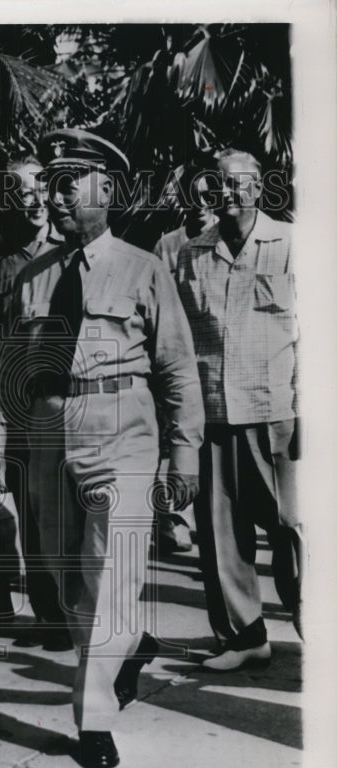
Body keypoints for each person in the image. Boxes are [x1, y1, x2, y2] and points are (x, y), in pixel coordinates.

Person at [0, 128, 204, 768]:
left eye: (68, 185)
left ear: (106, 191)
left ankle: (92, 717)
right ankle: (131, 644)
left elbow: (176, 366)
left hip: (122, 431)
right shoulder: (32, 275)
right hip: (48, 430)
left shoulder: (144, 269)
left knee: (109, 579)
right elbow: (6, 364)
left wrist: (186, 450)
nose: (54, 197)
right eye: (50, 186)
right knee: (65, 583)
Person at [176, 149, 303, 671]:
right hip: (213, 414)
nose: (223, 193)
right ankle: (245, 636)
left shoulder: (291, 245)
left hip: (276, 411)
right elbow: (179, 343)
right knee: (220, 534)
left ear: (257, 188)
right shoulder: (190, 254)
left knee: (295, 527)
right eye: (215, 185)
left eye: (234, 184)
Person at [0, 159, 71, 651]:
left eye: (38, 187)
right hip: (18, 416)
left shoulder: (75, 253)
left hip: (73, 412)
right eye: (18, 190)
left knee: (74, 512)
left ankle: (83, 613)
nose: (30, 198)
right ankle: (51, 616)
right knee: (33, 517)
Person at [152, 167, 219, 554]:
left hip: (212, 361)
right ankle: (171, 517)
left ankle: (206, 522)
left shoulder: (222, 239)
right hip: (177, 358)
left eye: (211, 195)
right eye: (195, 196)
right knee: (172, 442)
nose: (203, 204)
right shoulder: (168, 245)